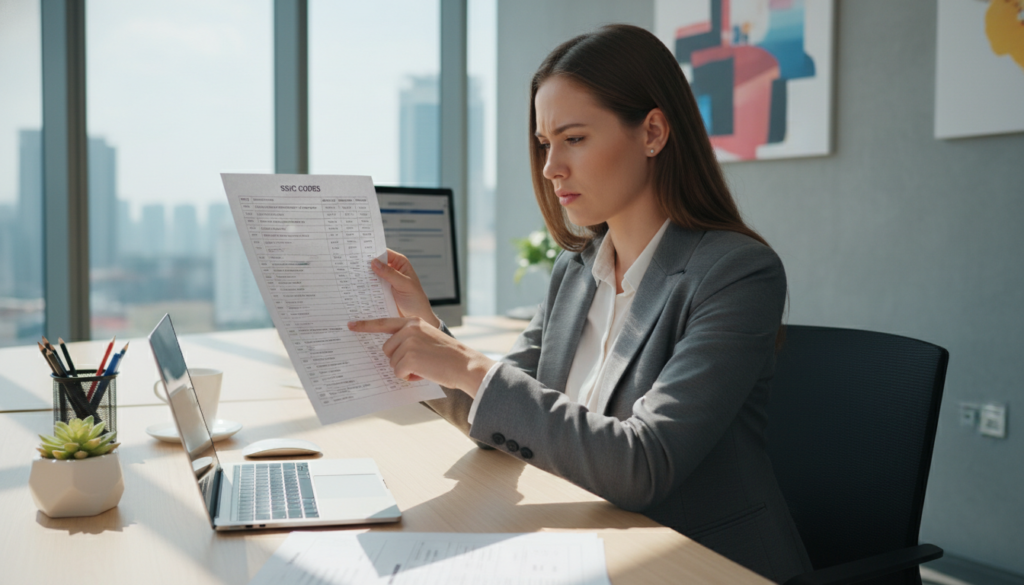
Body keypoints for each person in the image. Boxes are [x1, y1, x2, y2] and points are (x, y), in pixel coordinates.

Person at [349, 24, 812, 582]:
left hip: (697, 563)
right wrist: (424, 332)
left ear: (653, 132)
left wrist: (467, 365)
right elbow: (500, 411)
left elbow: (643, 465)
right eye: (546, 144)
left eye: (574, 138)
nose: (550, 168)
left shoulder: (737, 274)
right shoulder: (576, 270)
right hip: (587, 542)